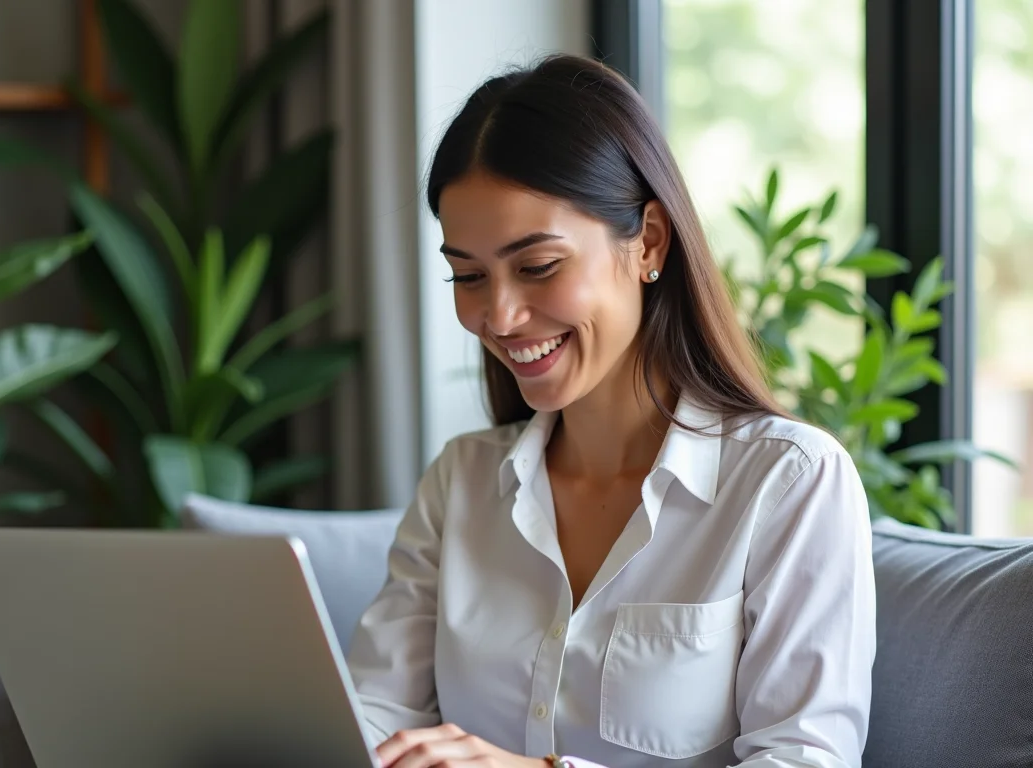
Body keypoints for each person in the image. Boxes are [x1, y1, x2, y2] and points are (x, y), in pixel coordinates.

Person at [345, 54, 876, 768]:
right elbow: (375, 712)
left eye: (537, 267)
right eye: (468, 275)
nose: (498, 315)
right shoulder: (461, 483)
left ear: (648, 242)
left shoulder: (787, 482)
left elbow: (805, 760)